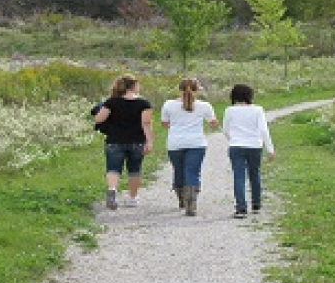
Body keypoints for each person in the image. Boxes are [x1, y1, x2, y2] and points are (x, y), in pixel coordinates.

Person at [94, 74, 153, 210]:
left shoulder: (111, 102)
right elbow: (146, 124)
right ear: (133, 86)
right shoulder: (143, 103)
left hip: (114, 140)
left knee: (113, 168)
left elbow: (99, 119)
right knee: (134, 169)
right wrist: (149, 141)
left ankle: (112, 190)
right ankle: (132, 198)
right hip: (137, 141)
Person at [161, 78, 218, 216]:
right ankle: (191, 202)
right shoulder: (205, 106)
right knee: (192, 171)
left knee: (179, 170)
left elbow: (164, 123)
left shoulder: (168, 105)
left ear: (178, 89)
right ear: (197, 90)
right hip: (196, 143)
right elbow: (213, 122)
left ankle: (181, 198)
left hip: (175, 143)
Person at [222, 84, 275, 219]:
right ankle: (256, 204)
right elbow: (263, 130)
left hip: (236, 146)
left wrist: (233, 139)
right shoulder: (258, 110)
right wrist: (270, 148)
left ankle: (241, 208)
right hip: (254, 146)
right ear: (249, 96)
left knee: (239, 177)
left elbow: (225, 130)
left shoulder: (229, 110)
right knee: (254, 174)